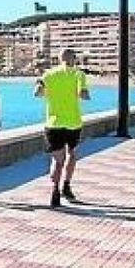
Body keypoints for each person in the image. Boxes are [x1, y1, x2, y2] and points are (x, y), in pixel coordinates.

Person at [34, 48, 90, 208]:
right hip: (73, 123)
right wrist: (83, 94)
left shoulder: (48, 74)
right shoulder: (79, 74)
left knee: (57, 160)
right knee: (72, 154)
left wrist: (44, 87)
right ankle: (66, 185)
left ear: (59, 59)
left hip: (53, 124)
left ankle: (55, 190)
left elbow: (37, 93)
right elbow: (83, 95)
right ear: (74, 59)